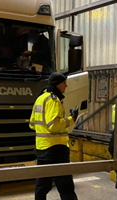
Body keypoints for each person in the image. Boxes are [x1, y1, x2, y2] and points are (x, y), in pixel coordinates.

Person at [29, 72, 78, 200]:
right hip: (56, 149)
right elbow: (53, 125)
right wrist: (72, 119)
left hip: (42, 148)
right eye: (64, 83)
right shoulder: (53, 99)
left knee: (42, 185)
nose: (66, 86)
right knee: (65, 185)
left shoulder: (40, 98)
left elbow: (32, 124)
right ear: (57, 84)